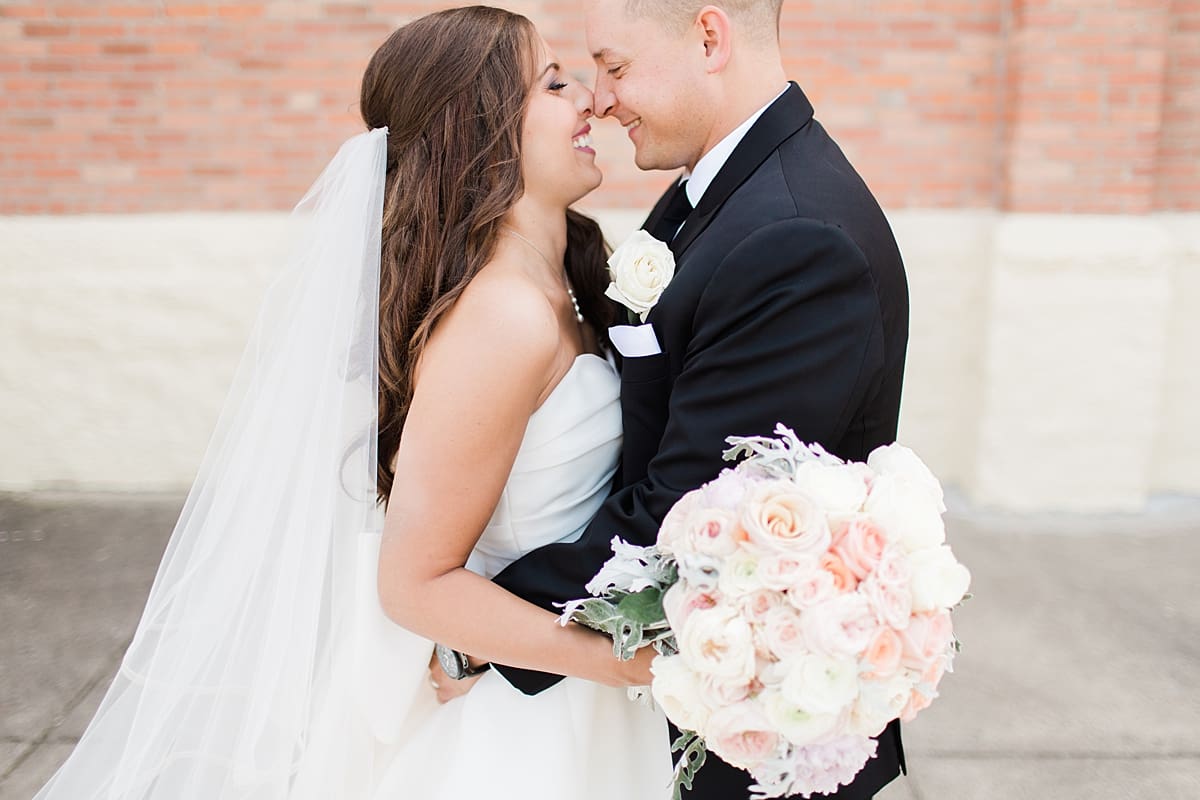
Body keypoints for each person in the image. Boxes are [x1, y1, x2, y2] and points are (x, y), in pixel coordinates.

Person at [32, 7, 672, 799]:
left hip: (568, 686)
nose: (588, 101)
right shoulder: (499, 319)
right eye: (551, 83)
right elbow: (414, 582)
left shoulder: (566, 281)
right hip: (533, 721)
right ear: (481, 128)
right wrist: (632, 660)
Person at [481, 1, 911, 798]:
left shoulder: (796, 235)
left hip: (749, 739)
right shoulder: (716, 193)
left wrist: (474, 626)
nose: (601, 100)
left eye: (614, 67)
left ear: (708, 38)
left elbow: (682, 520)